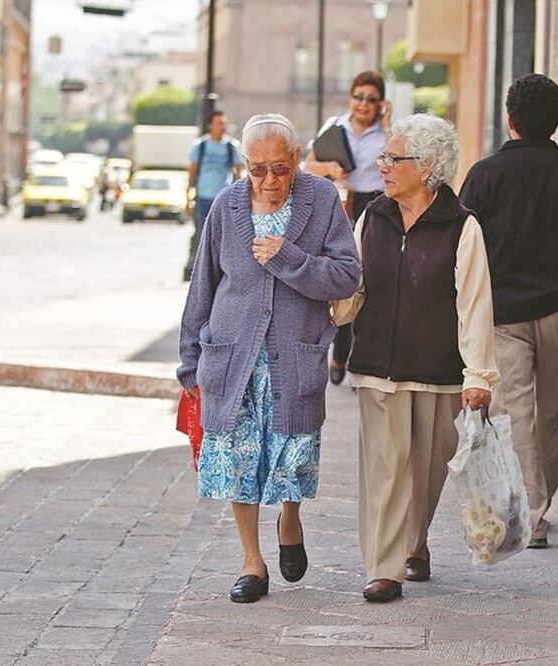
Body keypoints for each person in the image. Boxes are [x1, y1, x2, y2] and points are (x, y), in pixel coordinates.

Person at [177, 113, 360, 604]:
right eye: (258, 170)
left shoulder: (321, 200)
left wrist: (288, 258)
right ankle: (251, 563)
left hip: (294, 355)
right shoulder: (225, 206)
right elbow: (203, 287)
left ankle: (290, 517)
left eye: (280, 168)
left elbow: (346, 276)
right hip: (232, 357)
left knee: (292, 457)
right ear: (244, 165)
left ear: (297, 160)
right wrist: (189, 360)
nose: (270, 181)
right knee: (238, 461)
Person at [332, 114, 498, 602]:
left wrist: (479, 375)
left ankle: (414, 543)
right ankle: (384, 568)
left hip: (438, 372)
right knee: (385, 469)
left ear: (426, 167)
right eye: (384, 156)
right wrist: (330, 308)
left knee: (425, 474)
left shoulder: (462, 227)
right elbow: (353, 287)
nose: (382, 166)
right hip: (376, 368)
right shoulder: (373, 217)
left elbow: (474, 304)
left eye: (393, 158)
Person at [459, 73, 558, 549]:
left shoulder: (484, 176)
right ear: (557, 121)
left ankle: (533, 514)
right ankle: (537, 505)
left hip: (502, 314)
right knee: (547, 413)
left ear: (511, 121)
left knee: (519, 413)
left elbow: (463, 246)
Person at [304, 71, 390, 386]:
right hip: (344, 206)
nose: (363, 104)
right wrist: (329, 168)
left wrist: (389, 120)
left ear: (380, 103)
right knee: (345, 280)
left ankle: (359, 357)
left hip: (379, 207)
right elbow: (308, 165)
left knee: (374, 283)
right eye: (358, 96)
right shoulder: (335, 127)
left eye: (370, 99)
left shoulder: (386, 134)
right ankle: (339, 355)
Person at [184, 110, 245, 281]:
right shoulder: (201, 146)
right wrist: (188, 197)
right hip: (203, 197)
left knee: (225, 235)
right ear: (210, 125)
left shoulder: (231, 146)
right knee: (200, 233)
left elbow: (238, 173)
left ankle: (221, 269)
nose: (222, 127)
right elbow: (192, 172)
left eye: (224, 123)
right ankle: (196, 268)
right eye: (219, 123)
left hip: (223, 199)